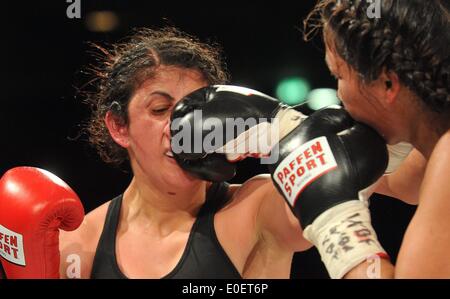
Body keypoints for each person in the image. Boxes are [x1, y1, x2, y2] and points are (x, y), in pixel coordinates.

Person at [57, 27, 314, 279]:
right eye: (159, 109)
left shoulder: (259, 206)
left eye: (195, 111)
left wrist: (285, 128)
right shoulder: (79, 244)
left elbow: (335, 195)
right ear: (119, 126)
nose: (182, 127)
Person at [297, 0, 450, 278]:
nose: (339, 94)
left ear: (386, 84)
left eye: (339, 75)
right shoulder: (434, 147)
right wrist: (286, 129)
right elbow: (398, 183)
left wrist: (335, 221)